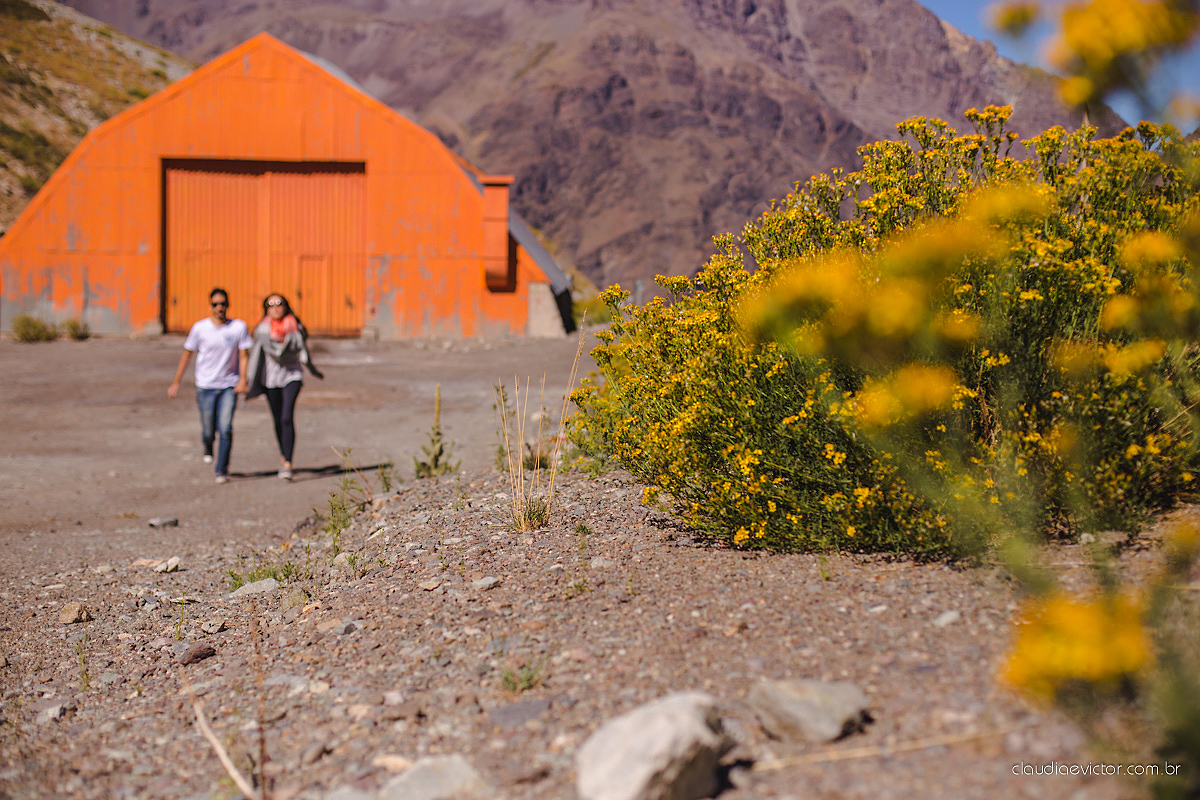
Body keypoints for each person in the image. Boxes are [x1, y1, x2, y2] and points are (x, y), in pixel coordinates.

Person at [167, 287, 252, 484]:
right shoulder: (200, 328)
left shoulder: (238, 327)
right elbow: (187, 354)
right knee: (208, 428)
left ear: (228, 305)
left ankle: (221, 469)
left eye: (223, 303)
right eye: (215, 304)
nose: (219, 307)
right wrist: (176, 382)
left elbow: (244, 355)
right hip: (205, 385)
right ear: (210, 306)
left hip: (228, 386)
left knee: (225, 427)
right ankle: (207, 446)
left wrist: (243, 379)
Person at [246, 293, 323, 480]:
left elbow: (302, 350)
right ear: (266, 308)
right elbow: (254, 354)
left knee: (287, 416)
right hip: (270, 378)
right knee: (277, 419)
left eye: (279, 303)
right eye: (270, 304)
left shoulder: (296, 328)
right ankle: (283, 454)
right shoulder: (261, 331)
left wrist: (312, 368)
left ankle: (287, 463)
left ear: (286, 306)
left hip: (292, 375)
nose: (275, 307)